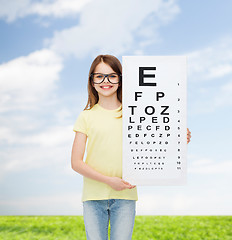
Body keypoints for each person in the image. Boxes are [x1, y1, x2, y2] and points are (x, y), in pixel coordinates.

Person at [71, 54, 191, 240]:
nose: (106, 81)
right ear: (92, 81)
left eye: (112, 76)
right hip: (94, 196)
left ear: (120, 79)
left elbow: (152, 142)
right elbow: (76, 163)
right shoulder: (86, 116)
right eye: (99, 76)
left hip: (126, 196)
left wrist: (176, 138)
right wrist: (109, 180)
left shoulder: (135, 113)